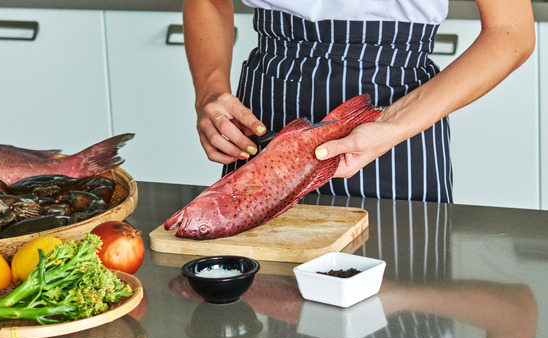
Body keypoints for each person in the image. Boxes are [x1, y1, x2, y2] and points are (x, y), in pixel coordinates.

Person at [182, 0, 535, 202]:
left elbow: (511, 32)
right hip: (270, 101)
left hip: (396, 114)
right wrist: (211, 91)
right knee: (259, 297)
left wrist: (392, 124)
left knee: (400, 295)